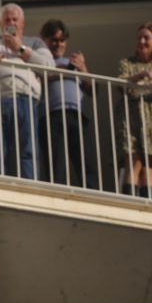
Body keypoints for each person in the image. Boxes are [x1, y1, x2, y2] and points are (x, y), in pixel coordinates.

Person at [0, 2, 53, 179]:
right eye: (7, 19)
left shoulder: (34, 43)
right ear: (0, 24)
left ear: (23, 23)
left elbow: (49, 66)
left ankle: (30, 185)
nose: (11, 23)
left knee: (27, 150)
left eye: (15, 19)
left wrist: (20, 49)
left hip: (25, 100)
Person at [116, 22, 152, 197]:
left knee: (149, 165)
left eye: (146, 38)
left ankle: (147, 206)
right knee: (133, 161)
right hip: (131, 117)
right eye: (139, 38)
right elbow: (121, 83)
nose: (141, 41)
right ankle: (132, 205)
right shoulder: (127, 63)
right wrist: (140, 75)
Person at [38, 19, 94, 188]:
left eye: (62, 40)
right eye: (53, 40)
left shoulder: (75, 65)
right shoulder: (41, 62)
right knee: (57, 164)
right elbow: (39, 79)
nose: (58, 44)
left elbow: (92, 89)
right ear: (44, 40)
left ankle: (92, 195)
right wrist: (62, 71)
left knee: (86, 162)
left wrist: (83, 68)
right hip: (52, 117)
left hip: (77, 116)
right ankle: (57, 195)